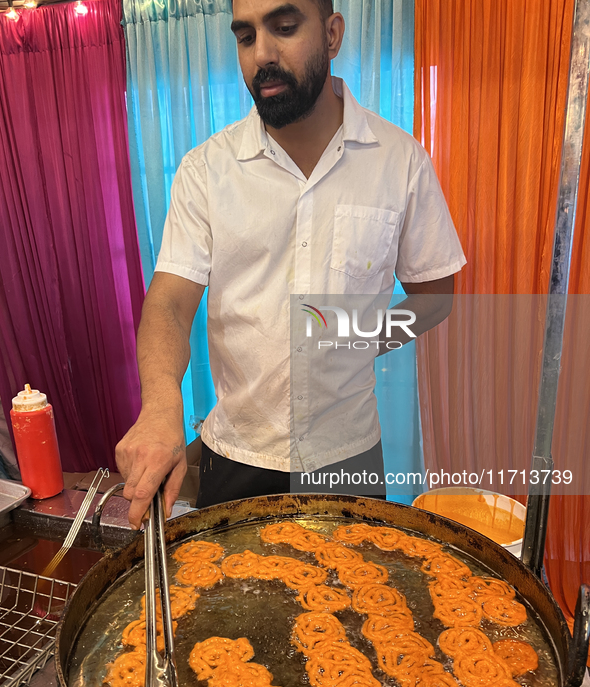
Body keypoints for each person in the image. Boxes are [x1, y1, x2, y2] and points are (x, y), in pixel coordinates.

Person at [116, 0, 466, 528]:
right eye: (245, 36)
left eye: (283, 28)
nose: (262, 54)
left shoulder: (400, 161)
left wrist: (359, 335)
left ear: (331, 35)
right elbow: (169, 300)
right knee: (229, 606)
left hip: (348, 452)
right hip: (236, 454)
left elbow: (436, 292)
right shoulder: (205, 170)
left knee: (360, 602)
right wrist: (162, 405)